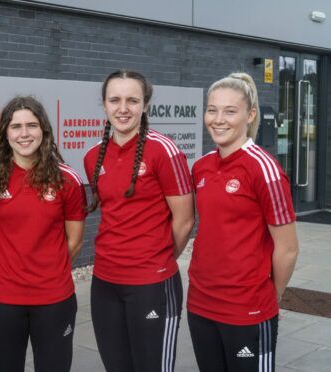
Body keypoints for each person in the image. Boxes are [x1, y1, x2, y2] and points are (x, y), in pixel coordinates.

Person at [84, 70, 195, 372]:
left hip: (152, 284)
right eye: (115, 100)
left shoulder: (164, 151)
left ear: (145, 104)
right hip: (105, 281)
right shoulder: (93, 156)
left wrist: (157, 259)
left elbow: (185, 221)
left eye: (132, 100)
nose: (123, 108)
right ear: (104, 104)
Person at [187, 72, 299, 372]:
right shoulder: (200, 167)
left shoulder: (264, 168)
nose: (218, 119)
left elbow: (287, 248)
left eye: (230, 111)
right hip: (200, 303)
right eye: (212, 110)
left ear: (250, 115)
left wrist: (269, 298)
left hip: (248, 308)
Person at [0, 96, 86, 372]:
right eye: (16, 126)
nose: (24, 134)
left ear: (43, 131)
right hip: (2, 300)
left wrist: (48, 272)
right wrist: (7, 275)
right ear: (5, 133)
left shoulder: (67, 178)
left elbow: (75, 240)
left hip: (55, 300)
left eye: (31, 125)